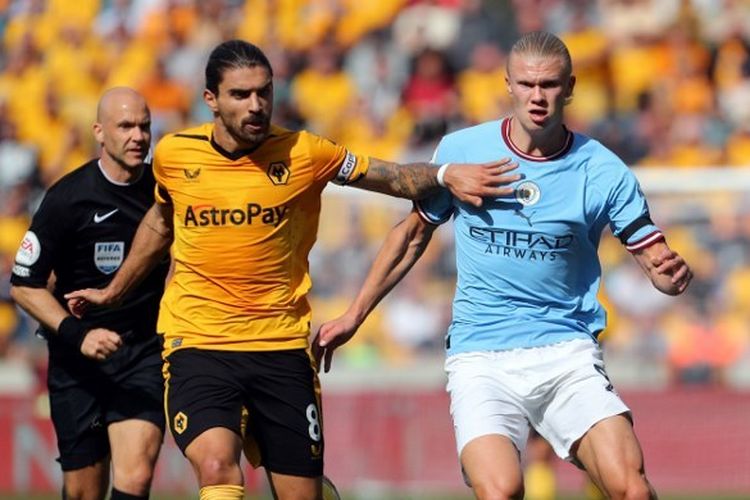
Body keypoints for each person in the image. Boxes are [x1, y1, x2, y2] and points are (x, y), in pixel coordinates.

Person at [65, 40, 519, 500]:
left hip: (279, 345)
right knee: (217, 466)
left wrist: (444, 176)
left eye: (264, 92)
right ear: (211, 101)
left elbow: (395, 178)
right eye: (240, 95)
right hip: (199, 342)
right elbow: (162, 222)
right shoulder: (174, 155)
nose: (256, 105)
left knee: (302, 494)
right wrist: (113, 291)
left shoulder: (307, 153)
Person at [314, 31, 693, 500]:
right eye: (528, 84)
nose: (538, 96)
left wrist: (669, 276)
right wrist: (355, 314)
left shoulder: (603, 170)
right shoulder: (463, 153)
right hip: (481, 355)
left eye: (550, 85)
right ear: (508, 85)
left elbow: (654, 257)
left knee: (631, 489)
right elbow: (412, 235)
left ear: (570, 87)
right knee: (501, 491)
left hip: (566, 351)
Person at [9, 88, 167, 500]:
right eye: (126, 126)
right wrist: (80, 336)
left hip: (143, 354)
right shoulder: (67, 199)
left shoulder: (165, 193)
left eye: (145, 126)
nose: (138, 136)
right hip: (77, 363)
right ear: (99, 132)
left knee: (135, 477)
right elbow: (24, 285)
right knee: (84, 493)